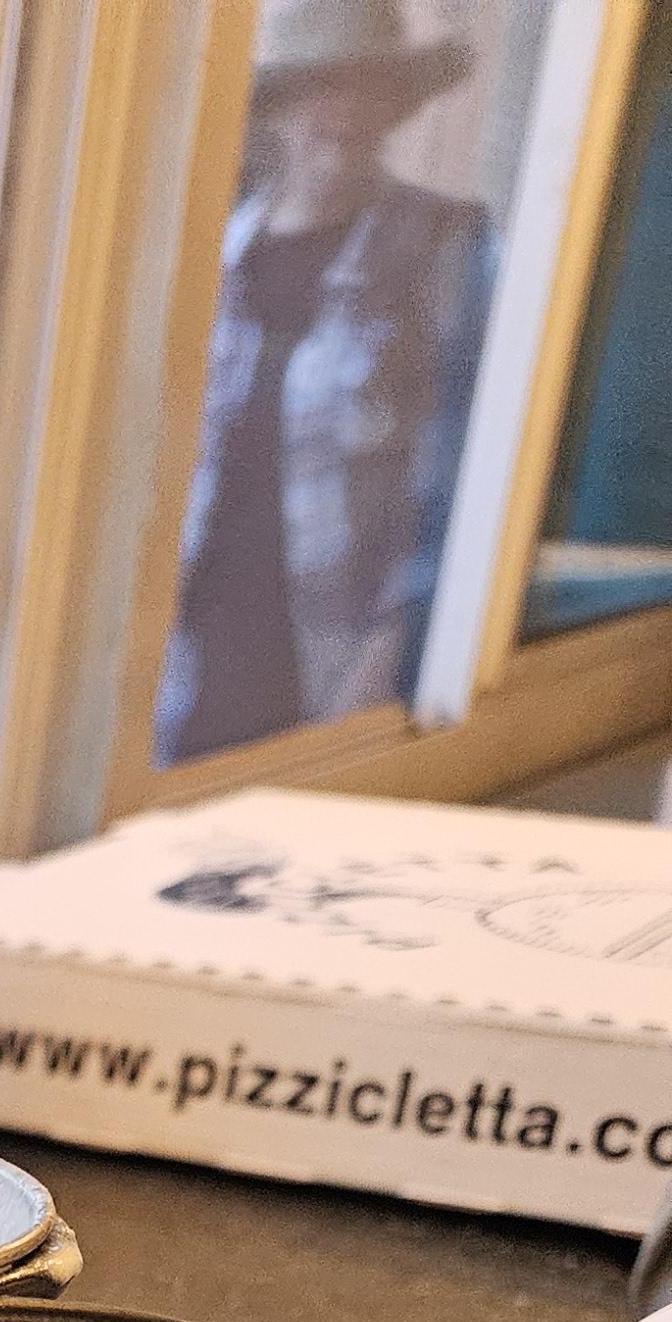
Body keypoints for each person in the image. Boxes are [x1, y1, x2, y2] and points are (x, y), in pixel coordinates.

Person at [155, 0, 495, 763]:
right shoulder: (210, 254)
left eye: (371, 85)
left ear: (397, 104)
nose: (344, 110)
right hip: (192, 660)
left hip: (338, 665)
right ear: (279, 106)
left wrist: (383, 658)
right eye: (321, 85)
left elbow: (462, 485)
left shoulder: (443, 248)